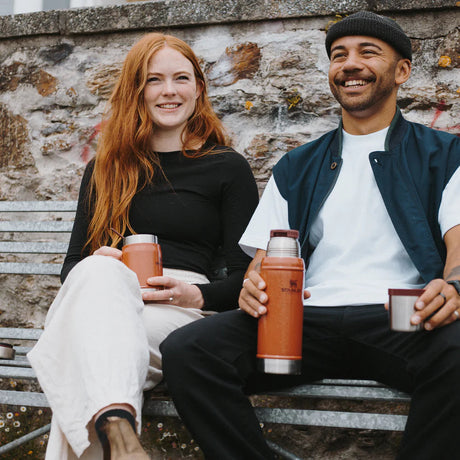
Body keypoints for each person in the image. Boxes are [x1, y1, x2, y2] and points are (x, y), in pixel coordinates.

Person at [160, 11, 460, 460]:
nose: (350, 64)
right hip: (303, 321)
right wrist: (252, 287)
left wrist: (454, 286)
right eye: (339, 55)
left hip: (402, 316)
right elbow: (262, 264)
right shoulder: (296, 165)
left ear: (402, 71)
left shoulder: (445, 154)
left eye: (368, 53)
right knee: (190, 350)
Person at [27, 32, 258, 460]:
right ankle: (120, 431)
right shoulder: (105, 168)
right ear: (136, 90)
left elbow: (249, 278)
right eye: (155, 80)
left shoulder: (226, 167)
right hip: (108, 295)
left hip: (181, 311)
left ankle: (117, 429)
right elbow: (74, 267)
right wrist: (100, 264)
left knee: (82, 349)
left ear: (198, 88)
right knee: (98, 273)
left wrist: (196, 293)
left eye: (181, 79)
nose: (169, 91)